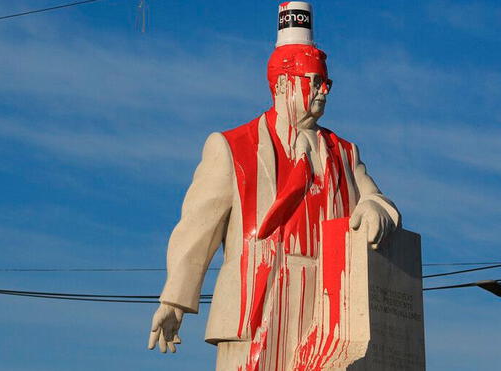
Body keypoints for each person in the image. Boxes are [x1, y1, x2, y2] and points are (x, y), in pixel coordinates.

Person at [148, 8, 400, 370]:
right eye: (314, 81)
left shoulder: (344, 153)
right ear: (283, 84)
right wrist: (174, 301)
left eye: (327, 83)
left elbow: (379, 200)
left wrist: (376, 210)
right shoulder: (233, 147)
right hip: (257, 301)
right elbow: (197, 228)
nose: (324, 90)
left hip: (325, 304)